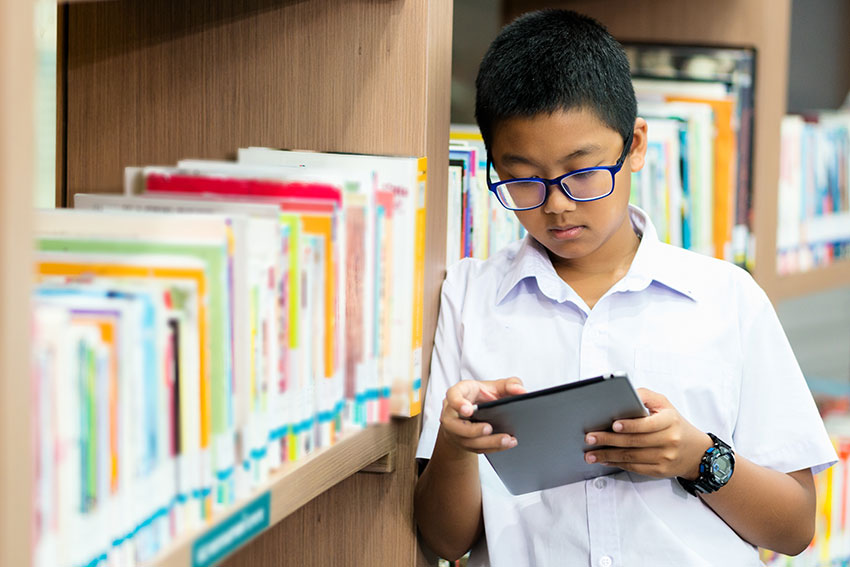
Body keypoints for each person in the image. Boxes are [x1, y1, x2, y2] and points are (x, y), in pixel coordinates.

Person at [414, 9, 837, 567]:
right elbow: (446, 542)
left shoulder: (727, 299)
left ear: (635, 145)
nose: (556, 204)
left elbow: (793, 528)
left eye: (582, 172)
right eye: (523, 179)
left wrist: (696, 456)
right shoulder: (468, 300)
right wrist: (455, 446)